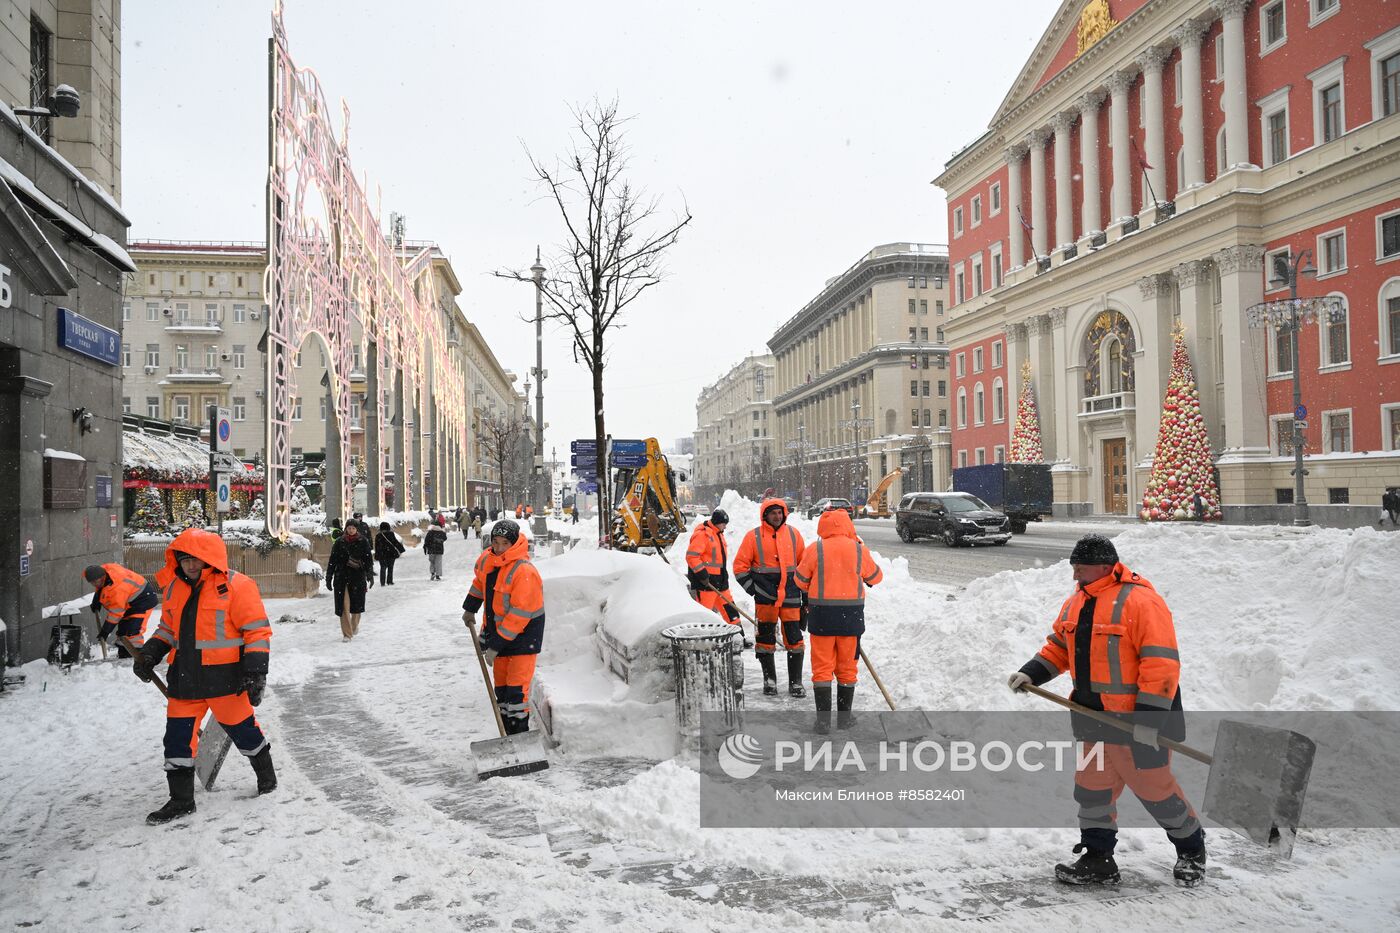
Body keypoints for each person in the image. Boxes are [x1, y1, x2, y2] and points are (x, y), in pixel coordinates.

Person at [1007, 534, 1207, 889]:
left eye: (1080, 568)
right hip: (1094, 720)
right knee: (1092, 790)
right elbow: (1059, 647)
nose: (1075, 576)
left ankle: (1191, 851)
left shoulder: (1142, 601)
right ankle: (1099, 860)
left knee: (1156, 792)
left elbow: (1161, 664)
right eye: (1073, 569)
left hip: (1139, 723)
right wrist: (1032, 672)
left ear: (1104, 565)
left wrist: (1149, 720)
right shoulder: (1076, 603)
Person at [131, 528, 275, 824]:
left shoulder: (237, 586)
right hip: (184, 679)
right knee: (177, 740)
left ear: (210, 559)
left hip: (226, 680)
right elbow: (167, 630)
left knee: (244, 732)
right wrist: (149, 654)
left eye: (197, 560)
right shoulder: (173, 588)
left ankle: (267, 778)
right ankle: (181, 800)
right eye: (185, 560)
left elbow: (257, 631)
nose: (191, 566)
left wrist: (256, 673)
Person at [794, 509, 883, 732]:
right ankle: (844, 719)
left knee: (822, 668)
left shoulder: (816, 548)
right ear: (847, 525)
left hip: (821, 617)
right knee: (847, 668)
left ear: (823, 526)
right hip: (850, 619)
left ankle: (823, 722)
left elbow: (800, 581)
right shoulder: (858, 549)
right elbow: (875, 577)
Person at [461, 519, 546, 734]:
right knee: (502, 691)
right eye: (495, 542)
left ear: (515, 543)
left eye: (504, 543)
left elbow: (518, 616)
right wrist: (470, 607)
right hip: (499, 638)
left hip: (523, 640)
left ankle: (519, 737)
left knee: (516, 693)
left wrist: (496, 645)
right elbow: (479, 584)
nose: (498, 548)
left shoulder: (524, 572)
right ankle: (507, 734)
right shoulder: (487, 561)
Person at [733, 498, 807, 698]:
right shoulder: (753, 537)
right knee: (765, 640)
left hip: (791, 595)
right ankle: (769, 681)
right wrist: (754, 589)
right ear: (765, 515)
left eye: (780, 512)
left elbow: (805, 566)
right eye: (773, 513)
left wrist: (805, 595)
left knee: (795, 639)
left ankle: (796, 683)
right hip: (765, 597)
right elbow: (740, 566)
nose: (777, 516)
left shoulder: (794, 535)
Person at [84, 562, 159, 658]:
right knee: (123, 630)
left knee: (132, 632)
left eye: (96, 582)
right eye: (92, 583)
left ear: (103, 577)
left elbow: (116, 613)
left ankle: (135, 657)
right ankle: (123, 653)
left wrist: (105, 631)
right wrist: (97, 600)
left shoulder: (117, 588)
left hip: (143, 601)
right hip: (129, 600)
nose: (94, 585)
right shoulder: (104, 572)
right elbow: (101, 587)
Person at [685, 509, 739, 627]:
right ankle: (705, 640)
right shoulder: (703, 534)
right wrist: (702, 575)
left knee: (731, 611)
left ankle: (740, 636)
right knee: (705, 616)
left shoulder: (718, 534)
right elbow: (691, 556)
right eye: (724, 524)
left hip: (721, 582)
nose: (725, 527)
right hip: (706, 583)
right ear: (717, 522)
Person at [326, 521, 374, 640]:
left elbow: (368, 560)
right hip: (341, 578)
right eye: (349, 528)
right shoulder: (339, 542)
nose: (351, 530)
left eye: (353, 528)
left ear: (356, 529)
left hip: (357, 577)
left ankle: (354, 625)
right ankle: (347, 634)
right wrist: (329, 577)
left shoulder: (363, 541)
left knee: (356, 606)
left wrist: (369, 575)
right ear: (346, 529)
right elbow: (332, 560)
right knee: (343, 606)